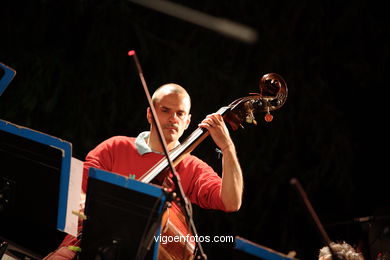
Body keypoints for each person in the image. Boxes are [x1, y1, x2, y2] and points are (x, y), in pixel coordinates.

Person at [44, 83, 243, 259]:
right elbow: (76, 191)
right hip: (83, 245)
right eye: (165, 110)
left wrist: (227, 148)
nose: (173, 118)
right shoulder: (114, 147)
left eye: (180, 113)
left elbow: (231, 202)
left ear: (188, 121)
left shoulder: (193, 167)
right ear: (150, 114)